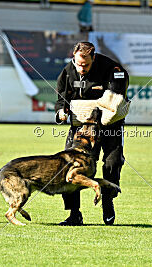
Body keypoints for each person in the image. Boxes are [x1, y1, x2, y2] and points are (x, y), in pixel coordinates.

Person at [54, 41, 129, 226]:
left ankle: (108, 200)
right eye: (78, 64)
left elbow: (117, 97)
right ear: (74, 57)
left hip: (109, 125)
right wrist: (61, 112)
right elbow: (61, 99)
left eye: (85, 65)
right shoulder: (67, 71)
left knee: (113, 162)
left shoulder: (113, 69)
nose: (81, 68)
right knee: (70, 166)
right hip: (81, 128)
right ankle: (74, 214)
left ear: (93, 58)